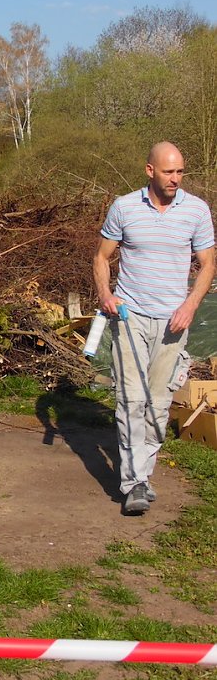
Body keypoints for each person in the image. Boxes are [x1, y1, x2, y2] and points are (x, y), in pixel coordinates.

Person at [93, 141, 215, 513]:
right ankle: (134, 484)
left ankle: (142, 473)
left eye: (180, 172)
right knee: (131, 398)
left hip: (173, 322)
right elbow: (101, 257)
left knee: (158, 403)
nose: (176, 179)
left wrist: (191, 305)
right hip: (130, 318)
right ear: (150, 171)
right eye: (168, 172)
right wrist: (105, 294)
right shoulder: (125, 208)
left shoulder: (196, 210)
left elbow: (208, 264)